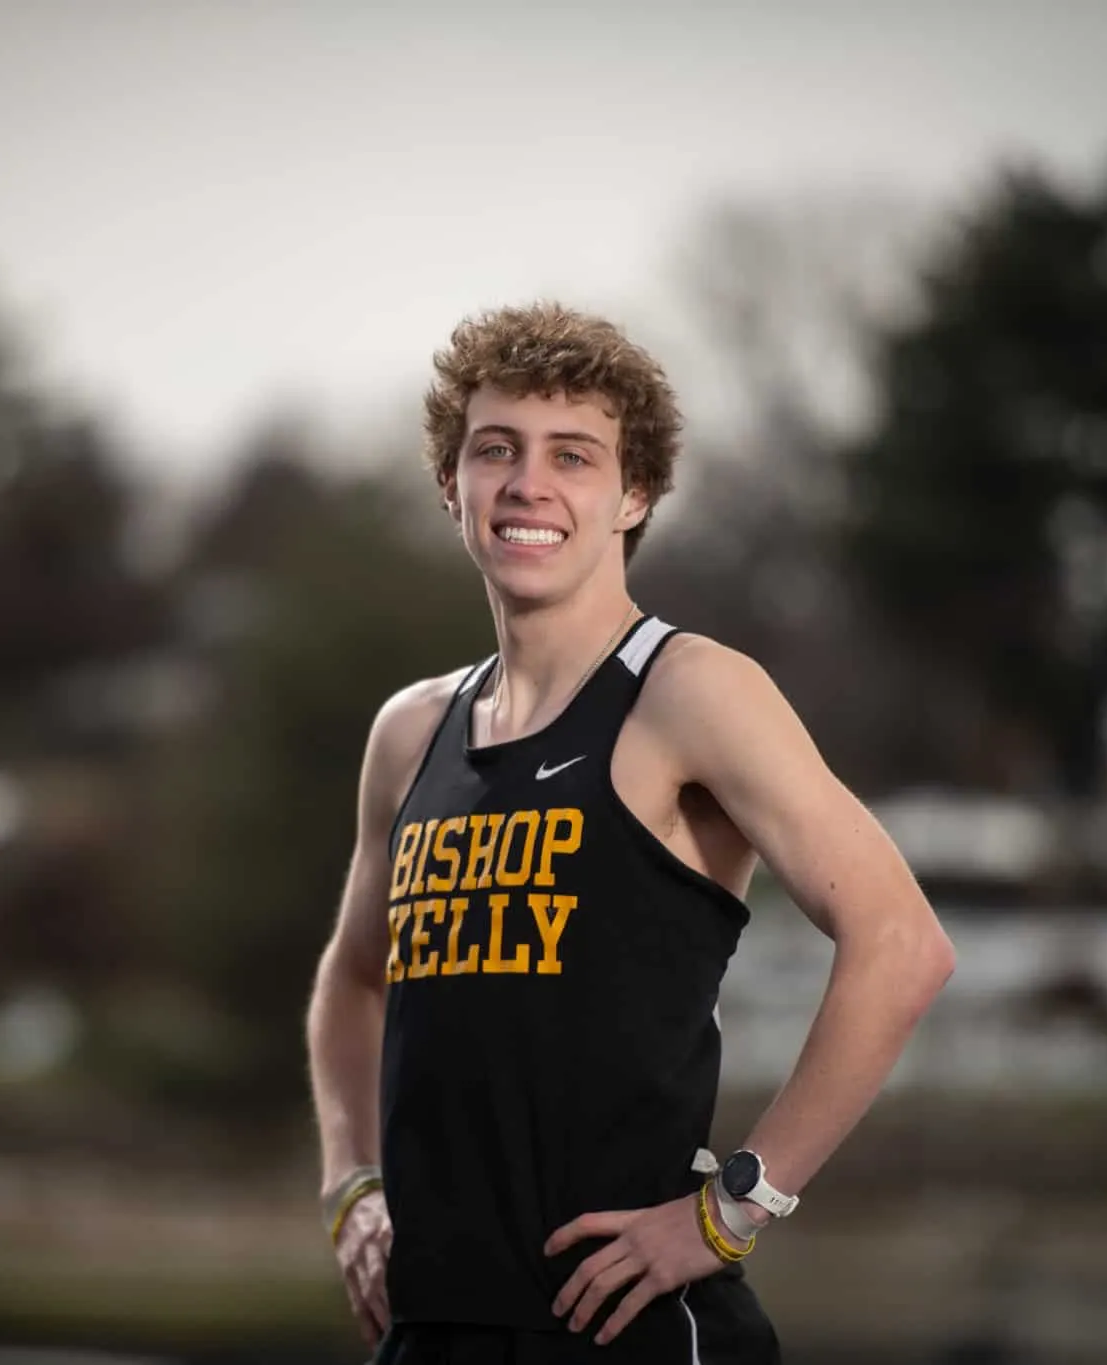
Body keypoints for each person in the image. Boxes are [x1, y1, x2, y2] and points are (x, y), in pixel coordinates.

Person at [305, 302, 955, 1364]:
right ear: (450, 484)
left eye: (573, 456)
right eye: (495, 450)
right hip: (429, 1327)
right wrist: (350, 1185)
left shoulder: (688, 692)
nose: (528, 485)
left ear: (632, 495)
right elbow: (351, 977)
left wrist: (734, 1210)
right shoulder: (410, 731)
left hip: (628, 1331)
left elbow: (900, 945)